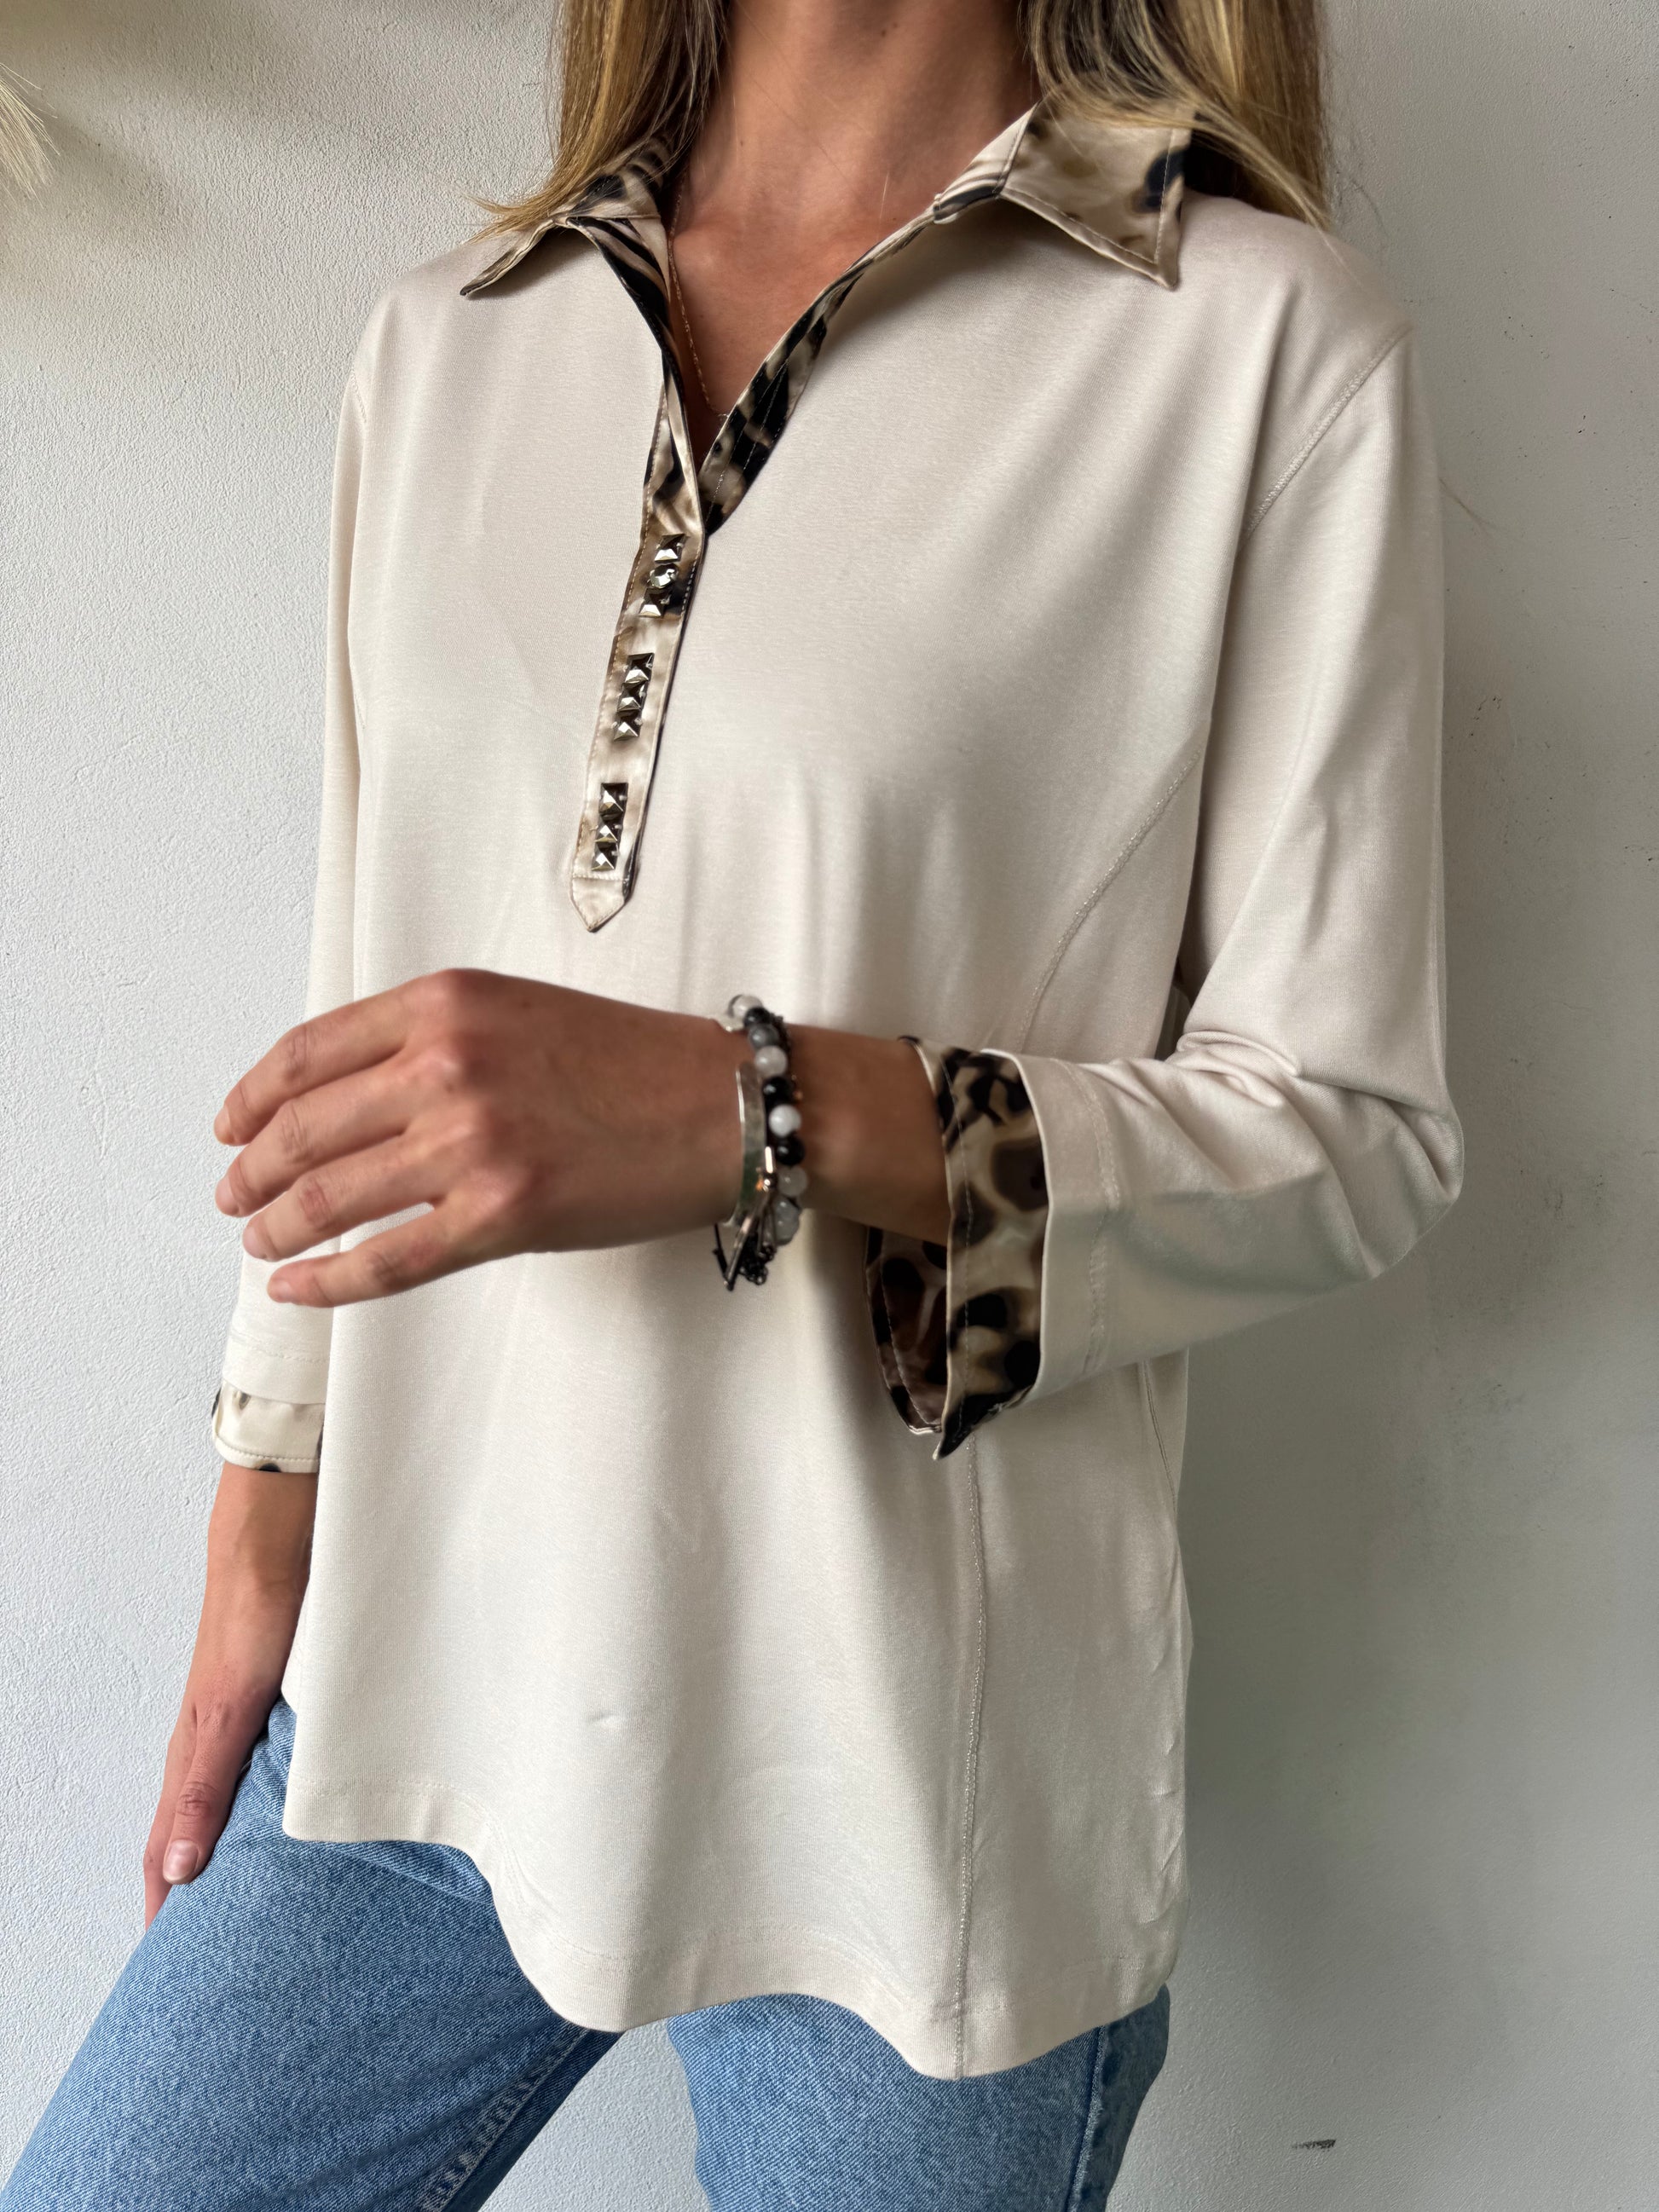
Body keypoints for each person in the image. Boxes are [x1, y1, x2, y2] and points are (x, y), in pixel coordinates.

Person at [3, 0, 1463, 2203]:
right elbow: (364, 983)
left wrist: (752, 1106)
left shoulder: (1253, 341)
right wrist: (265, 1496)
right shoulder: (456, 338)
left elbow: (1347, 1135)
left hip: (907, 1790)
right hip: (420, 1695)